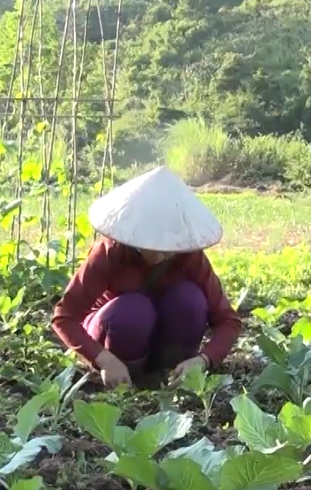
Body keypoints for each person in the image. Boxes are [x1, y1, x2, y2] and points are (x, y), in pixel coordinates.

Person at [51, 165, 243, 387]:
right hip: (117, 335)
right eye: (154, 245)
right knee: (134, 310)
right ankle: (131, 377)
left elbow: (228, 320)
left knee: (189, 300)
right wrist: (103, 359)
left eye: (169, 247)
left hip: (165, 338)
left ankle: (169, 372)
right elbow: (64, 317)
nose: (161, 255)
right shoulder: (111, 252)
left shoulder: (190, 257)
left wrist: (202, 360)